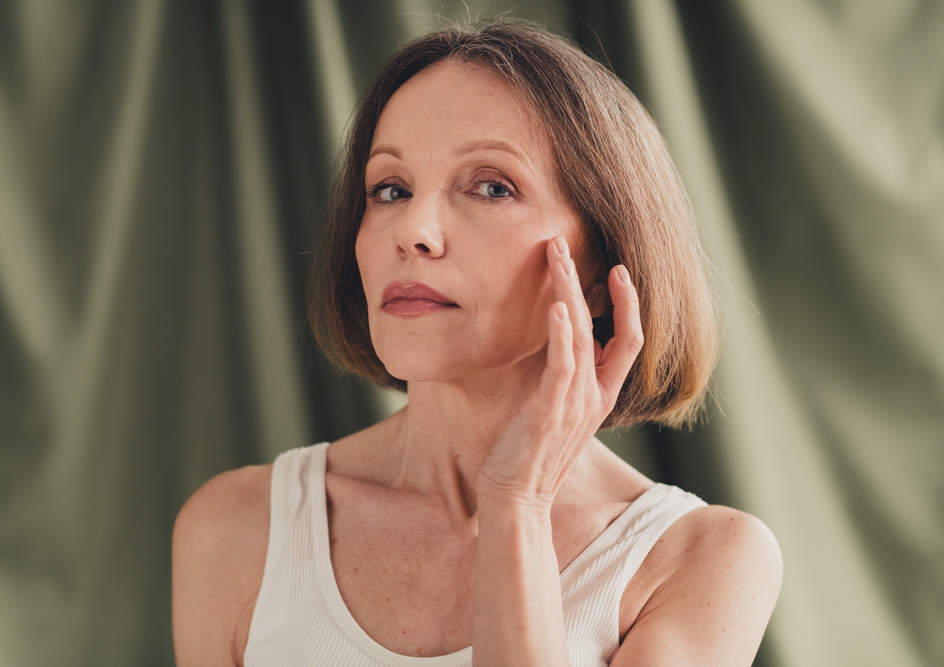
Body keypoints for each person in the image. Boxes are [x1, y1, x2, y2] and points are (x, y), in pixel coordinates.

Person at [172, 22, 782, 667]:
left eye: (491, 186)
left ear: (604, 272)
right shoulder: (236, 529)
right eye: (390, 189)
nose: (413, 230)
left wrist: (517, 502)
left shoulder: (703, 558)